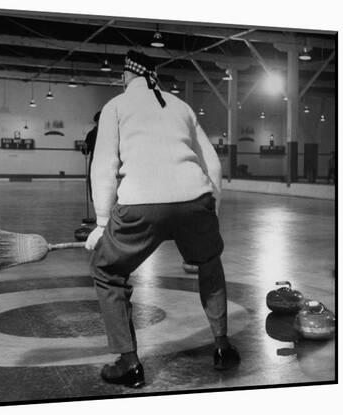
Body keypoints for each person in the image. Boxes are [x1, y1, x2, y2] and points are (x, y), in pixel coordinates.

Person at [85, 50, 240, 388]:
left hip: (142, 206)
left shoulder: (115, 107)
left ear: (127, 76)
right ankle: (222, 347)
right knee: (210, 263)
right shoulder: (181, 106)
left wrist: (100, 223)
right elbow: (211, 164)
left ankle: (129, 363)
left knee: (107, 271)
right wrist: (211, 211)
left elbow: (104, 167)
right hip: (194, 200)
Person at [81, 111, 101, 202]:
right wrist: (85, 147)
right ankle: (95, 200)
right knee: (93, 181)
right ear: (96, 121)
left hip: (108, 161)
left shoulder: (110, 133)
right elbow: (86, 151)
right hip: (95, 161)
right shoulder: (91, 134)